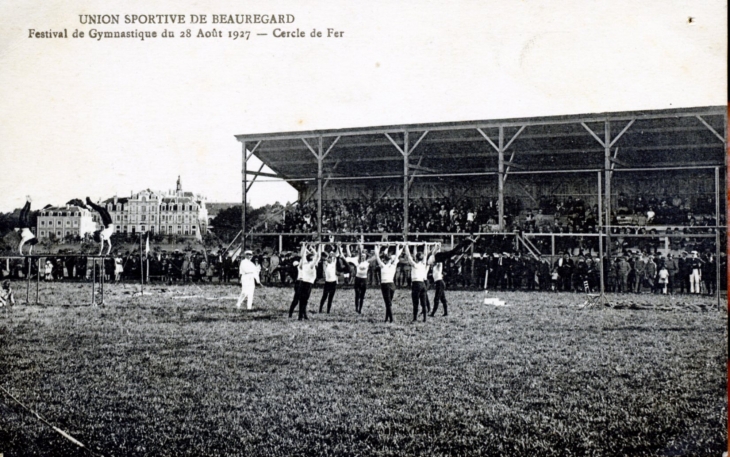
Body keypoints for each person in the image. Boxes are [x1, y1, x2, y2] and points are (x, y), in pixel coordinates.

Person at [289, 243, 320, 320]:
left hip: (302, 283)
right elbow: (317, 256)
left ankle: (300, 316)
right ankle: (301, 316)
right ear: (311, 259)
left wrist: (305, 247)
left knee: (301, 300)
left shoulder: (303, 264)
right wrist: (312, 249)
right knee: (304, 300)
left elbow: (303, 256)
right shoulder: (311, 265)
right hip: (308, 284)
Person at [374, 243, 403, 323]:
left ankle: (391, 319)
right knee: (389, 302)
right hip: (392, 285)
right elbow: (397, 256)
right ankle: (387, 318)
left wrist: (377, 247)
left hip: (385, 285)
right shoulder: (393, 265)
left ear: (385, 260)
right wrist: (397, 246)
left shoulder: (383, 266)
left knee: (388, 303)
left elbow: (377, 256)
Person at [405, 242, 431, 322]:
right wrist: (425, 245)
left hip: (416, 284)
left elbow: (409, 256)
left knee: (415, 301)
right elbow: (425, 255)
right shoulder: (423, 264)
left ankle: (415, 318)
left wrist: (406, 246)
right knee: (423, 301)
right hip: (422, 284)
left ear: (416, 258)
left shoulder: (415, 265)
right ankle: (424, 318)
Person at [345, 243, 371, 314]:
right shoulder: (357, 261)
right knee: (357, 294)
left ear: (365, 257)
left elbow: (375, 257)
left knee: (362, 295)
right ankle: (356, 307)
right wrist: (359, 247)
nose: (362, 257)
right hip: (358, 279)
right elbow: (358, 254)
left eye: (364, 256)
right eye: (361, 256)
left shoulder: (367, 262)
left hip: (364, 279)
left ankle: (360, 309)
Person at [319, 244, 342, 314]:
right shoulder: (325, 263)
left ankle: (328, 311)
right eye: (331, 255)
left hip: (333, 282)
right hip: (327, 282)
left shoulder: (334, 262)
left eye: (333, 256)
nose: (332, 257)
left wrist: (338, 246)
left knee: (330, 297)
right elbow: (321, 256)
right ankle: (320, 309)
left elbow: (338, 254)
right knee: (324, 296)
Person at [428, 244, 449, 317]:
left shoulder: (439, 265)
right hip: (439, 283)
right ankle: (446, 312)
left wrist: (438, 249)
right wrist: (436, 248)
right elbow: (434, 255)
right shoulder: (434, 266)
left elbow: (439, 258)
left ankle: (433, 313)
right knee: (442, 298)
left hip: (440, 282)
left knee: (436, 298)